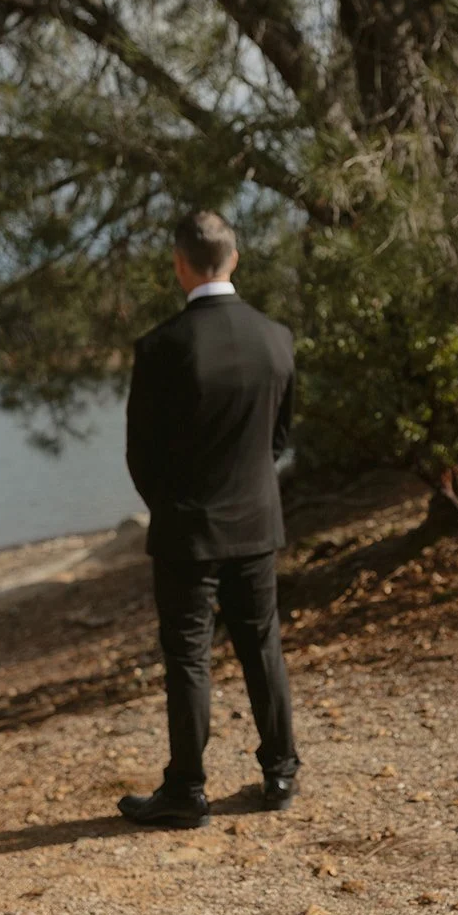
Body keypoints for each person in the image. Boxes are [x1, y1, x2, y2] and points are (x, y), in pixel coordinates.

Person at [120, 209, 299, 827]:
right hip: (255, 522)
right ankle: (281, 772)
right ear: (235, 258)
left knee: (190, 658)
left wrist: (174, 506)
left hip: (186, 529)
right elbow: (278, 438)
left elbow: (139, 454)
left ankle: (187, 791)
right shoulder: (277, 338)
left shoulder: (162, 346)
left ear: (179, 265)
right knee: (262, 646)